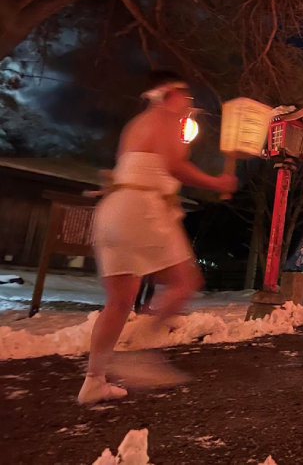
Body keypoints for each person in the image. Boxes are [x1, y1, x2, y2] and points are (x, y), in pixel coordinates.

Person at [78, 70, 237, 405]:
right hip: (142, 207)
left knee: (120, 301)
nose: (189, 103)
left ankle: (94, 379)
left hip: (114, 209)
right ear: (170, 94)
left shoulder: (136, 124)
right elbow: (175, 166)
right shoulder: (163, 117)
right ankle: (139, 352)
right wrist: (217, 183)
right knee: (185, 282)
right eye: (187, 96)